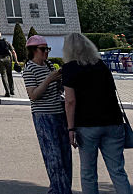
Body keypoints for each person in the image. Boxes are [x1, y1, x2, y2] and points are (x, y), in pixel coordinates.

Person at [62, 32, 132, 194]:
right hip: (113, 122)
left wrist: (70, 129)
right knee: (117, 171)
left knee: (88, 173)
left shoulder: (70, 69)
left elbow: (70, 101)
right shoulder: (101, 65)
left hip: (87, 126)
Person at [24, 35, 72, 194]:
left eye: (47, 49)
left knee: (65, 156)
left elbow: (59, 91)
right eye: (43, 49)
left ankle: (65, 189)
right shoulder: (29, 68)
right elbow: (33, 95)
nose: (46, 52)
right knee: (53, 157)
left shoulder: (49, 65)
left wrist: (60, 79)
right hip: (44, 116)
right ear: (33, 51)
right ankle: (58, 190)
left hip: (59, 114)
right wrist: (49, 79)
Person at [0, 30, 18, 96]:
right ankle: (12, 90)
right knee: (9, 75)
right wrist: (16, 61)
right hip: (8, 59)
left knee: (3, 75)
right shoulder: (6, 41)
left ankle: (7, 92)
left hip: (0, 59)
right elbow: (13, 52)